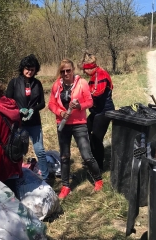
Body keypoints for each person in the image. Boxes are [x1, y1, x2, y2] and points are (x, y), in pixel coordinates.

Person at [48, 58, 103, 199]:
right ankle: (65, 186)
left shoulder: (82, 83)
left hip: (79, 123)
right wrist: (60, 112)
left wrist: (79, 106)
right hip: (63, 124)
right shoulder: (56, 86)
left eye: (68, 70)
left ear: (73, 70)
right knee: (64, 157)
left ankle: (98, 180)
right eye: (63, 71)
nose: (66, 73)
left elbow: (90, 101)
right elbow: (51, 104)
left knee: (86, 155)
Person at [6, 54, 51, 183]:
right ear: (22, 68)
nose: (29, 71)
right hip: (18, 123)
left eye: (32, 69)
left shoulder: (37, 84)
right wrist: (18, 110)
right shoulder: (14, 82)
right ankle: (16, 176)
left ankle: (46, 178)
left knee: (40, 151)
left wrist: (33, 109)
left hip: (34, 122)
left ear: (36, 70)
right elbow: (7, 101)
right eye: (27, 68)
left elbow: (42, 103)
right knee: (16, 151)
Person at [80, 52, 115, 171]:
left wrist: (82, 97)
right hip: (96, 111)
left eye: (85, 69)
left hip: (104, 111)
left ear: (90, 68)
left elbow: (97, 92)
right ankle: (91, 159)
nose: (84, 72)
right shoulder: (94, 76)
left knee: (96, 138)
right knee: (85, 130)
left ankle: (99, 165)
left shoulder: (101, 74)